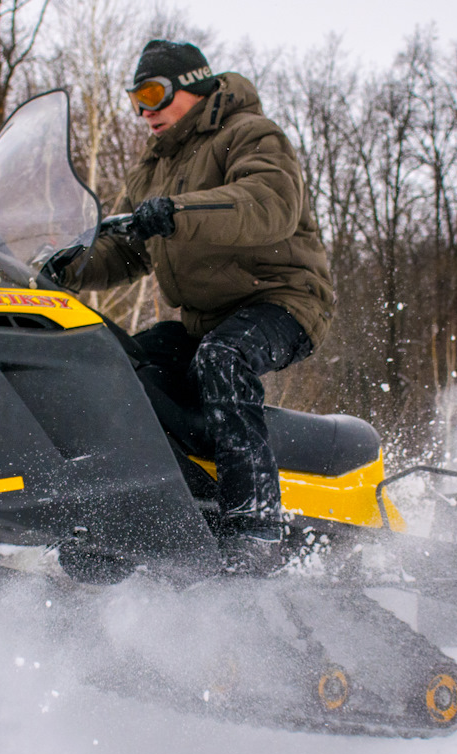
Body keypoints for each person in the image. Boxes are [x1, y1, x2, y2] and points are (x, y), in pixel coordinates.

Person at [45, 40, 333, 571]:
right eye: (135, 99)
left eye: (153, 94)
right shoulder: (154, 167)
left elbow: (268, 204)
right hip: (204, 320)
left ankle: (256, 524)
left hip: (282, 302)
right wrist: (59, 268)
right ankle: (131, 521)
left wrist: (176, 212)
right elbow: (126, 248)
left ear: (194, 85)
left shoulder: (251, 135)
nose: (144, 112)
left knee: (223, 358)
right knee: (114, 363)